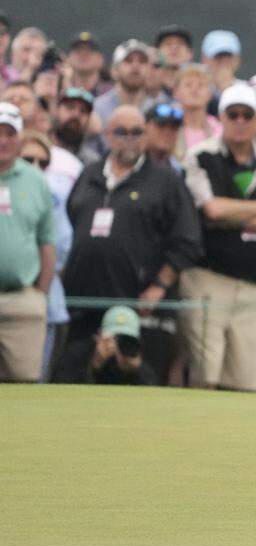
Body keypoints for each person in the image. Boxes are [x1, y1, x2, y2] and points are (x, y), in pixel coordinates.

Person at [56, 104, 201, 383]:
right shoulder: (89, 175)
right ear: (108, 135)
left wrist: (159, 285)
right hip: (85, 303)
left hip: (140, 304)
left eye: (137, 132)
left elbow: (188, 240)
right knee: (76, 379)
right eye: (122, 132)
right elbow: (72, 224)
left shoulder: (165, 180)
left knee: (140, 379)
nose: (130, 139)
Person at [180, 84, 256, 392]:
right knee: (206, 374)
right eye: (233, 115)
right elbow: (213, 209)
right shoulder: (201, 156)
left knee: (247, 380)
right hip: (208, 279)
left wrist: (235, 218)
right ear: (222, 118)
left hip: (255, 286)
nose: (240, 121)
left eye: (247, 115)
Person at [0, 103, 55, 381]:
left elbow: (47, 242)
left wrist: (39, 294)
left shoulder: (36, 181)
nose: (2, 141)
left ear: (20, 138)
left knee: (25, 380)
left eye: (10, 134)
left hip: (22, 298)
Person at [21, 130, 73, 380]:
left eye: (43, 163)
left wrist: (39, 287)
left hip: (42, 300)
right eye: (28, 159)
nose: (35, 167)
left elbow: (62, 246)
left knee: (35, 380)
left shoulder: (53, 197)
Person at [84, 306, 157, 385]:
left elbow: (152, 387)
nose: (118, 344)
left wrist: (137, 368)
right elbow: (76, 384)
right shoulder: (84, 351)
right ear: (99, 335)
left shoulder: (135, 352)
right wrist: (96, 363)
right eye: (114, 338)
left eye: (126, 339)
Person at [93, 39, 154, 128]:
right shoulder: (97, 110)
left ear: (149, 71)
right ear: (114, 70)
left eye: (142, 61)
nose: (135, 65)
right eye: (128, 61)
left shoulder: (157, 109)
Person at [172, 63, 221, 157]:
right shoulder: (168, 128)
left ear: (209, 94)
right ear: (176, 92)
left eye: (201, 85)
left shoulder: (219, 129)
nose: (194, 90)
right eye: (188, 85)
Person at [66, 31, 112, 97]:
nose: (83, 54)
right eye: (78, 50)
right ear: (68, 58)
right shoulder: (57, 93)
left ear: (101, 59)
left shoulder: (112, 94)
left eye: (90, 50)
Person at [141, 102, 185, 172]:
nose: (167, 132)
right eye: (161, 125)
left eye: (174, 127)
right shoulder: (132, 166)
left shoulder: (180, 170)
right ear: (145, 127)